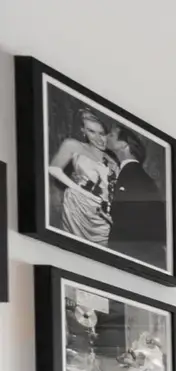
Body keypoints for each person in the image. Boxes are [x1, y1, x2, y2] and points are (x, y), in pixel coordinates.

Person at [48, 109, 114, 245]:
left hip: (102, 214)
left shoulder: (111, 158)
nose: (98, 138)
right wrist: (80, 190)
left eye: (101, 133)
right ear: (83, 131)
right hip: (78, 206)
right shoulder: (73, 145)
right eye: (91, 131)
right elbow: (53, 169)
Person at [105, 126, 166, 268]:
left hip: (134, 254)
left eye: (111, 135)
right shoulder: (133, 173)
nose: (106, 136)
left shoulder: (134, 175)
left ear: (123, 144)